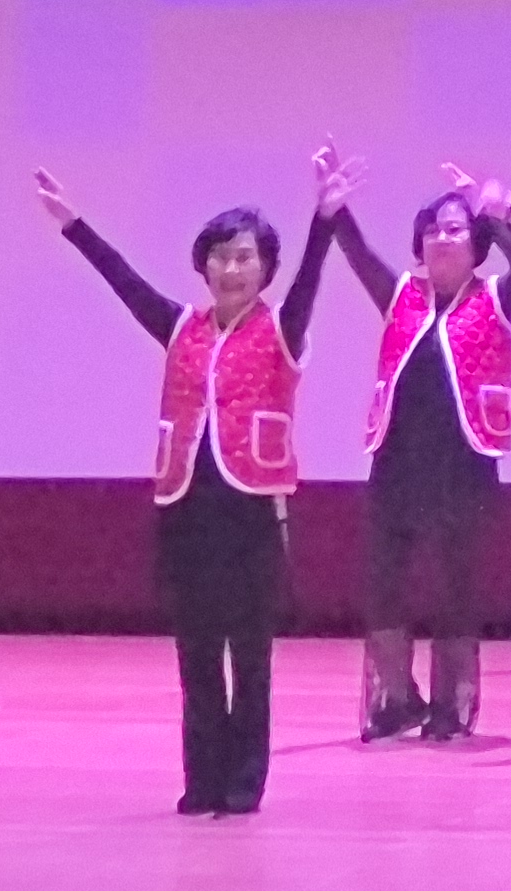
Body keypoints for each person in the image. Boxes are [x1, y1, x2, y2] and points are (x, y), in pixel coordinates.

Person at [36, 146, 349, 813]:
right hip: (186, 510)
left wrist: (324, 221)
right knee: (197, 652)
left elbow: (309, 285)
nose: (231, 269)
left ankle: (244, 781)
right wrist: (74, 226)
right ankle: (203, 778)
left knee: (251, 655)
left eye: (244, 258)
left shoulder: (281, 329)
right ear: (203, 264)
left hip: (251, 511)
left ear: (265, 269)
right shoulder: (182, 327)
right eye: (220, 257)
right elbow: (125, 284)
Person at [328, 170, 511, 742]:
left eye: (455, 229)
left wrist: (506, 215)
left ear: (476, 244)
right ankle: (395, 700)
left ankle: (451, 706)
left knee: (455, 585)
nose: (443, 238)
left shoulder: (496, 297)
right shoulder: (400, 295)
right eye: (433, 230)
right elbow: (359, 256)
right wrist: (336, 211)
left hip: (463, 466)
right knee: (384, 583)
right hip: (395, 462)